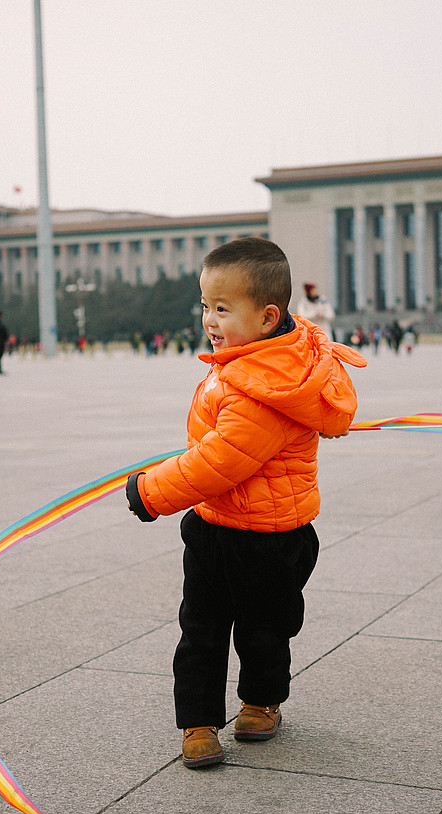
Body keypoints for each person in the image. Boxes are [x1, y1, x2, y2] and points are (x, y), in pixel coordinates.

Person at [124, 237, 365, 769]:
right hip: (227, 525)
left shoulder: (268, 385)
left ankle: (257, 704)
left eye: (223, 308)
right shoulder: (251, 362)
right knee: (211, 629)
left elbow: (219, 463)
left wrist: (150, 492)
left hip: (258, 536)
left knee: (261, 630)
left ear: (267, 316)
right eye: (206, 306)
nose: (209, 318)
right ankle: (200, 721)